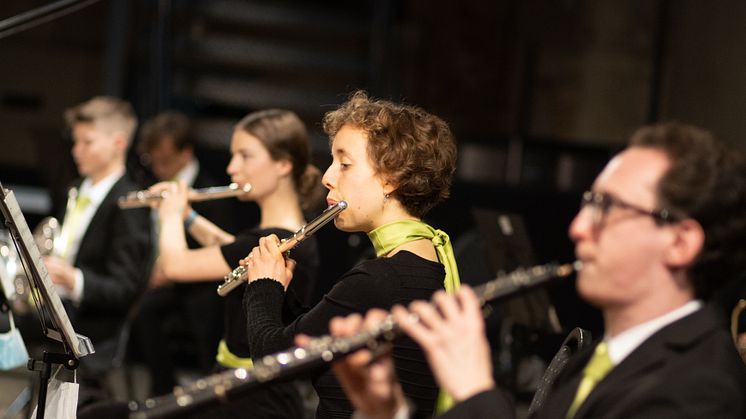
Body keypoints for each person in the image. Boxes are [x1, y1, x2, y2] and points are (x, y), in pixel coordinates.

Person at [331, 121, 746, 418]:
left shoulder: (702, 389)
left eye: (609, 208)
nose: (578, 227)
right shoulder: (594, 361)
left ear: (680, 241)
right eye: (588, 203)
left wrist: (474, 389)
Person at [242, 90, 459, 418]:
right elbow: (317, 341)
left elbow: (273, 362)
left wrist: (261, 287)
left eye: (344, 164)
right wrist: (279, 290)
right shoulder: (428, 259)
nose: (328, 178)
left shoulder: (379, 280)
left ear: (391, 178)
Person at [148, 109, 324, 418]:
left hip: (254, 398)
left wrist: (170, 213)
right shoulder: (282, 235)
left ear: (283, 164)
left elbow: (174, 265)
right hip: (243, 386)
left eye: (245, 156)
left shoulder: (281, 239)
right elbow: (232, 250)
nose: (232, 167)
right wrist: (189, 217)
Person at [130, 111, 251, 395]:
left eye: (165, 160)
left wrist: (170, 270)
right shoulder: (152, 182)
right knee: (140, 309)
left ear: (185, 153)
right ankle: (162, 389)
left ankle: (210, 387)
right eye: (153, 160)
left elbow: (223, 250)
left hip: (203, 280)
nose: (158, 167)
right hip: (166, 276)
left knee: (204, 313)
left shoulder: (209, 191)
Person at [43, 96, 151, 359]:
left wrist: (72, 278)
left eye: (87, 142)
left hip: (91, 327)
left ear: (118, 144)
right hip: (56, 309)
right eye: (76, 141)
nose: (76, 150)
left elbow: (124, 288)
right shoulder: (75, 188)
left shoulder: (129, 203)